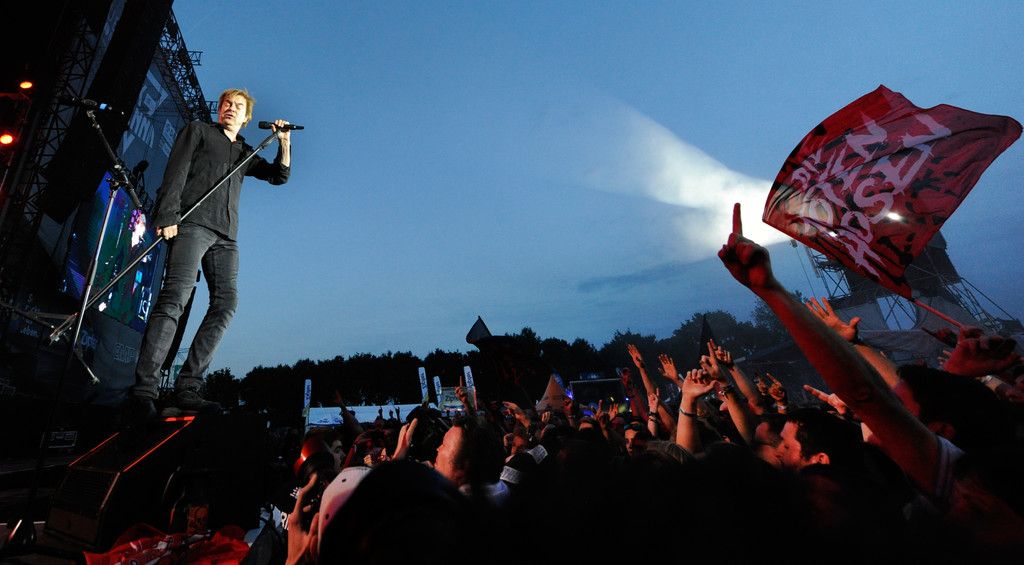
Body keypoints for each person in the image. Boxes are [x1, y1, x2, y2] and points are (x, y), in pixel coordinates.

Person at [125, 88, 291, 420]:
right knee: (175, 298)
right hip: (192, 223)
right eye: (226, 103)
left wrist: (284, 142)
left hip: (225, 235)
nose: (230, 108)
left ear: (246, 118)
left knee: (226, 303)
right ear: (220, 109)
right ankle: (144, 390)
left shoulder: (244, 150)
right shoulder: (199, 131)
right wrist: (167, 215)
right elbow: (176, 170)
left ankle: (188, 387)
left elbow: (278, 176)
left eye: (238, 106)